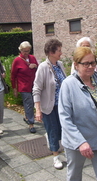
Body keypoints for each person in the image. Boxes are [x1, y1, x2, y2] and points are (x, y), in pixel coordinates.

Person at [59, 47, 97, 181]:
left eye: (93, 63)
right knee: (74, 176)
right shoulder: (68, 84)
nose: (91, 66)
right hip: (77, 142)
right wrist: (80, 142)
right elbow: (64, 117)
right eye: (86, 63)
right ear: (76, 65)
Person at [33, 39, 66, 169]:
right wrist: (37, 110)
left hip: (63, 106)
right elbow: (36, 89)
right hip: (49, 106)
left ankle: (66, 151)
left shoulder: (60, 65)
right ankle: (56, 157)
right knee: (53, 131)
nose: (61, 53)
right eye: (59, 50)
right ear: (52, 52)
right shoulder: (43, 67)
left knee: (64, 130)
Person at [11, 41, 38, 133]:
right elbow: (13, 76)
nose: (26, 53)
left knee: (34, 102)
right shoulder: (17, 60)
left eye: (28, 50)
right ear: (21, 50)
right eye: (24, 51)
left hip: (34, 85)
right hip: (24, 86)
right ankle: (31, 124)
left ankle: (27, 116)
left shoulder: (32, 58)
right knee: (29, 103)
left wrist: (35, 66)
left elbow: (39, 69)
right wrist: (14, 88)